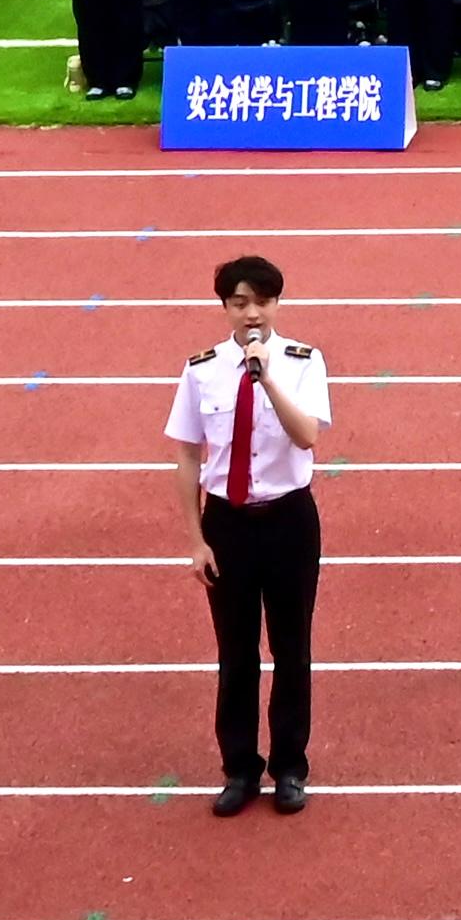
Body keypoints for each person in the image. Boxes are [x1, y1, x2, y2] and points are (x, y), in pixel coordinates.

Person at [170, 252, 331, 814]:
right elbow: (189, 458)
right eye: (239, 303)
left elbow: (307, 435)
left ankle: (290, 767)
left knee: (292, 650)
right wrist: (196, 540)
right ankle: (239, 770)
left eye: (261, 302)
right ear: (225, 308)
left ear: (276, 304)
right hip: (228, 524)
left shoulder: (303, 362)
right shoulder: (201, 370)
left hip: (288, 519)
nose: (251, 313)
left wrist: (266, 380)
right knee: (235, 654)